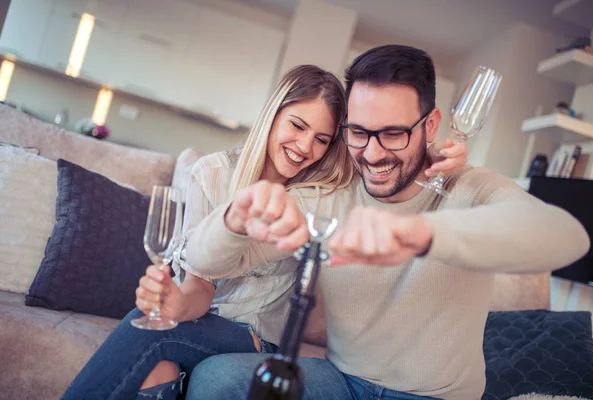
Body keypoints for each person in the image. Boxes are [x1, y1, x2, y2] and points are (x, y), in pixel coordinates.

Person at [181, 45, 590, 400]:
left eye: (393, 133)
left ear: (430, 125)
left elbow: (567, 236)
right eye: (359, 132)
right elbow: (208, 260)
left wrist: (419, 234)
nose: (373, 154)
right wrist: (235, 218)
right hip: (341, 383)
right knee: (219, 381)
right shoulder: (328, 198)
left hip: (435, 397)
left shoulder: (471, 187)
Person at [61, 64, 467, 400]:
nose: (305, 146)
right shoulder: (213, 174)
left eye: (322, 139)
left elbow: (385, 173)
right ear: (273, 113)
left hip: (260, 340)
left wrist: (430, 156)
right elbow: (199, 286)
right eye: (297, 125)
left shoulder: (322, 192)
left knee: (143, 332)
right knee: (157, 370)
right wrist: (173, 306)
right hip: (205, 323)